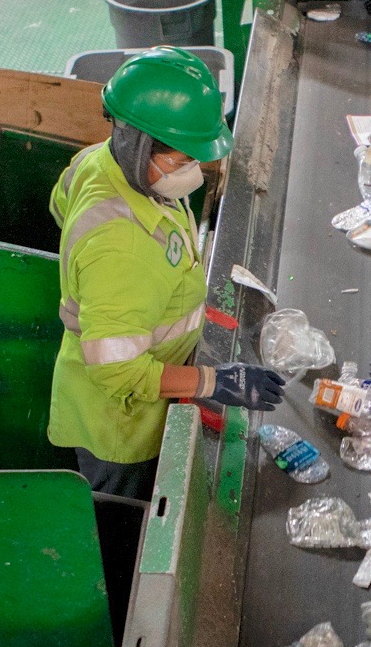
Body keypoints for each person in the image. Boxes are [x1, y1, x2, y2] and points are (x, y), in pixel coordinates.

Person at [48, 46, 285, 498]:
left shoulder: (100, 162)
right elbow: (118, 373)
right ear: (137, 145)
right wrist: (216, 381)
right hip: (120, 425)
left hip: (128, 374)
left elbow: (60, 205)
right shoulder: (121, 249)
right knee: (122, 509)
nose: (194, 175)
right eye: (181, 163)